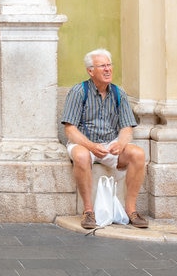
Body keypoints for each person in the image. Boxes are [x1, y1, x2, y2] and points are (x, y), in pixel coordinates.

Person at [60, 48, 149, 229]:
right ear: (90, 71)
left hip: (109, 144)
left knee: (138, 154)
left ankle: (130, 210)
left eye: (109, 65)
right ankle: (88, 211)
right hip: (83, 143)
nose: (108, 69)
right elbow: (70, 130)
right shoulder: (79, 92)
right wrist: (91, 146)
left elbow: (126, 127)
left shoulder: (118, 93)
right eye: (102, 66)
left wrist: (121, 143)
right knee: (82, 156)